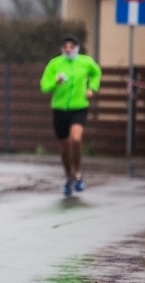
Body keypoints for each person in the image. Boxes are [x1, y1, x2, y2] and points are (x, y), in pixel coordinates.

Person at [40, 34, 102, 196]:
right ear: (62, 49)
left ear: (77, 48)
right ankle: (69, 177)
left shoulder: (85, 62)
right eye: (65, 46)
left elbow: (97, 73)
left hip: (78, 107)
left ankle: (79, 174)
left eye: (71, 46)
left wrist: (92, 88)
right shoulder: (55, 64)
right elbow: (44, 86)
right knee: (64, 150)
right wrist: (55, 81)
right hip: (60, 110)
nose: (68, 49)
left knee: (76, 139)